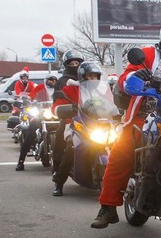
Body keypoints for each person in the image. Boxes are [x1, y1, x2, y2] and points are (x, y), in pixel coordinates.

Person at [91, 15, 161, 228]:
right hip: (145, 114)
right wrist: (134, 78)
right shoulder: (149, 54)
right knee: (122, 151)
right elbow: (125, 78)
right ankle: (107, 207)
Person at [52, 63, 103, 196]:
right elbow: (56, 107)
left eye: (95, 76)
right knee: (72, 149)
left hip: (98, 126)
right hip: (75, 124)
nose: (92, 79)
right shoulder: (71, 89)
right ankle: (59, 182)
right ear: (82, 77)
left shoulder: (101, 91)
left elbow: (111, 105)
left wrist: (117, 111)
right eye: (89, 76)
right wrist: (67, 109)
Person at [51, 51, 85, 183]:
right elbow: (58, 101)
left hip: (92, 121)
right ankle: (59, 179)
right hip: (71, 119)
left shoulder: (94, 83)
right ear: (67, 65)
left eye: (77, 63)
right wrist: (68, 109)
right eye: (72, 63)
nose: (75, 65)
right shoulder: (64, 81)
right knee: (68, 146)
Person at [15, 75, 58, 171]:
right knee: (30, 135)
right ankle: (21, 161)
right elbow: (31, 97)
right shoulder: (39, 88)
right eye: (51, 80)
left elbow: (64, 98)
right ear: (46, 80)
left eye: (55, 80)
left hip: (54, 116)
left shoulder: (58, 89)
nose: (53, 81)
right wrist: (27, 102)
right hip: (40, 115)